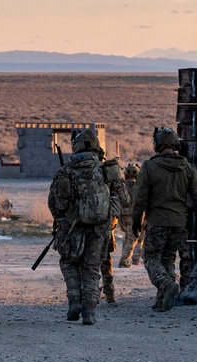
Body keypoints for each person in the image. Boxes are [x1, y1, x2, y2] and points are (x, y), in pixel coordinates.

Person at [132, 127, 197, 312]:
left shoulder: (149, 167)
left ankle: (166, 285)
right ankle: (162, 302)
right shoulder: (188, 168)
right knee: (167, 259)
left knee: (150, 257)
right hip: (179, 223)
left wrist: (136, 219)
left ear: (158, 145)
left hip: (157, 221)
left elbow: (140, 197)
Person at [47, 129, 119, 325]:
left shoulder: (65, 171)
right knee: (92, 268)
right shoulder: (105, 170)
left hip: (72, 228)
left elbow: (55, 204)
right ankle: (89, 309)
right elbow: (120, 199)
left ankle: (74, 302)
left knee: (69, 263)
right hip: (99, 229)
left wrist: (62, 222)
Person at [97, 151, 125, 303]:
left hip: (84, 225)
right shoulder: (108, 172)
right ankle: (109, 293)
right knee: (106, 260)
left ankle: (90, 295)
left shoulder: (75, 170)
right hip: (105, 225)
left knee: (87, 263)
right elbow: (125, 199)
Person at [117, 163, 145, 268]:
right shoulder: (140, 186)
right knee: (132, 238)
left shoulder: (122, 185)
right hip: (136, 215)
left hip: (124, 215)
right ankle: (124, 261)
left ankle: (133, 259)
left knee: (129, 237)